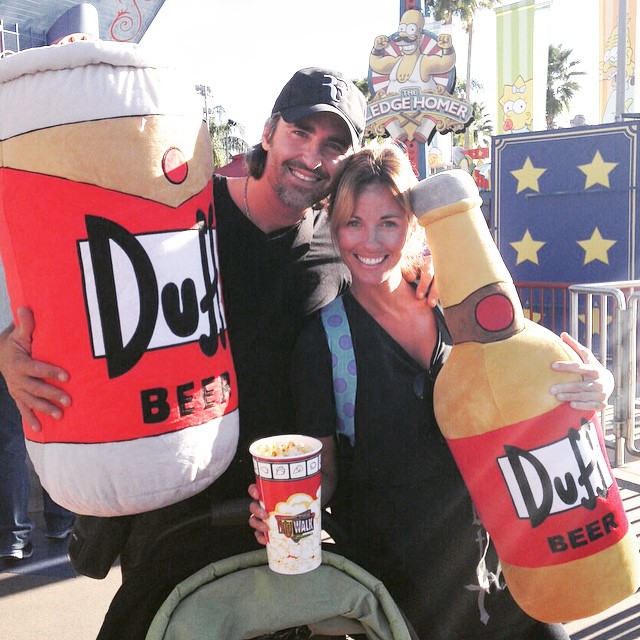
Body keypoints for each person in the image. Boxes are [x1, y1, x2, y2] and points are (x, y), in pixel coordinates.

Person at [0, 68, 427, 638]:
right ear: (269, 132)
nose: (312, 156)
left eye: (333, 145)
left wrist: (431, 283)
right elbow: (66, 267)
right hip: (172, 511)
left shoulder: (340, 245)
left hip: (278, 512)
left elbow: (393, 289)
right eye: (300, 132)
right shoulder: (181, 211)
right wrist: (7, 348)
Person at [248, 142, 615, 639]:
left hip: (505, 554)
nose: (370, 240)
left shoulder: (456, 309)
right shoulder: (323, 344)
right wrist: (292, 509)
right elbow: (327, 471)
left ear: (413, 225)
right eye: (353, 222)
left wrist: (593, 385)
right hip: (405, 587)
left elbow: (532, 385)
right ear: (334, 227)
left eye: (388, 222)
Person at [0, 261, 75, 562]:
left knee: (8, 440)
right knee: (51, 422)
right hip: (33, 329)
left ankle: (12, 536)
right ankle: (61, 519)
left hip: (9, 328)